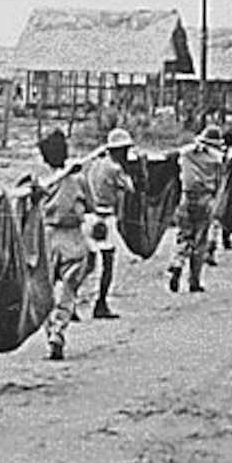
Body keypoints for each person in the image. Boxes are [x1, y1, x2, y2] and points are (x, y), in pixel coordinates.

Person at [34, 130, 95, 360]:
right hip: (72, 237)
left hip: (46, 237)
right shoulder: (77, 179)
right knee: (69, 289)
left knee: (44, 290)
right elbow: (91, 204)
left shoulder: (41, 181)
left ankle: (51, 331)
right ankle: (58, 330)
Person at [167, 125, 226, 292]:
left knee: (184, 235)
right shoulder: (218, 159)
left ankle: (177, 263)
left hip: (186, 197)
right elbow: (220, 182)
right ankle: (194, 281)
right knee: (200, 240)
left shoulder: (186, 153)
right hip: (206, 199)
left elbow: (171, 158)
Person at [85, 127, 136, 319]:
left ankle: (71, 302)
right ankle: (101, 303)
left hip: (89, 216)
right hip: (105, 217)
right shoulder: (115, 169)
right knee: (107, 262)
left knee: (86, 263)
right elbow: (130, 188)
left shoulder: (95, 164)